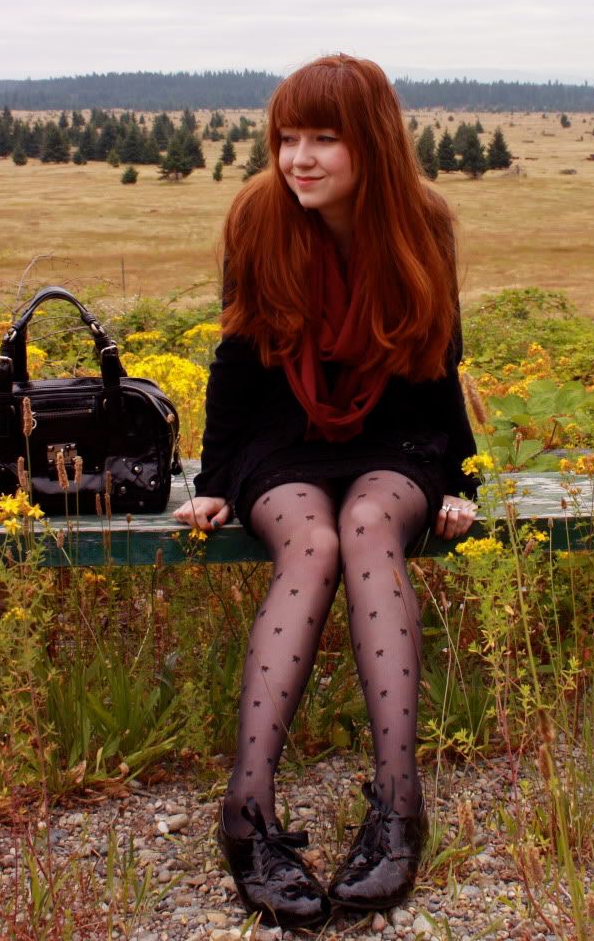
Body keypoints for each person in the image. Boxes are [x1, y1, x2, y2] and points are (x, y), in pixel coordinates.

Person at [174, 54, 479, 928]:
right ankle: (246, 814)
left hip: (396, 432)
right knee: (312, 541)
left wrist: (457, 483)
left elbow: (440, 362)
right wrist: (210, 482)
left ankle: (395, 807)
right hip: (282, 434)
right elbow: (233, 363)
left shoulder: (420, 222)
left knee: (371, 521)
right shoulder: (258, 217)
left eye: (322, 139)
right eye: (286, 139)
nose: (297, 158)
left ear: (370, 146)